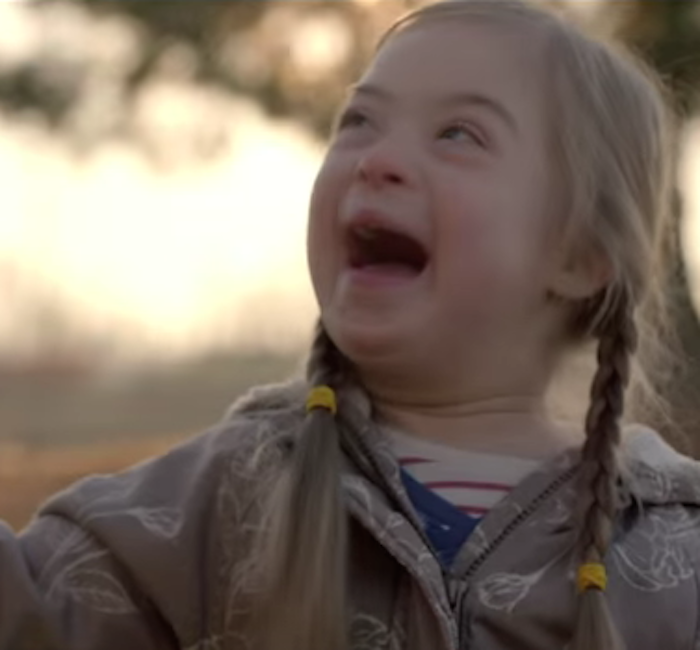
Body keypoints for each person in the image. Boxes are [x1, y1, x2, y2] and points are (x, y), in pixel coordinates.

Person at [1, 1, 697, 649]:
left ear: (580, 257)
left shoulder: (672, 540)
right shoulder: (220, 497)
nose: (376, 160)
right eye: (358, 122)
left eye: (459, 133)